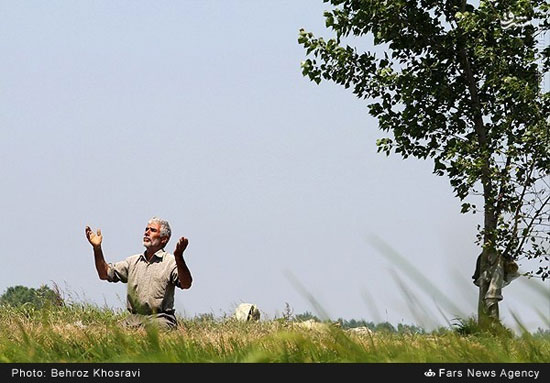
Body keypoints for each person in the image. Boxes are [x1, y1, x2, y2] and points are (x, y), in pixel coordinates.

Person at [85, 217, 192, 329]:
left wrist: (179, 257)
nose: (147, 232)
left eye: (153, 230)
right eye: (146, 229)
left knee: (152, 331)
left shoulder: (170, 262)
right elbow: (104, 274)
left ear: (164, 239)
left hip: (161, 318)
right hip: (134, 319)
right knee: (111, 334)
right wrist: (97, 248)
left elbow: (186, 284)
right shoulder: (133, 261)